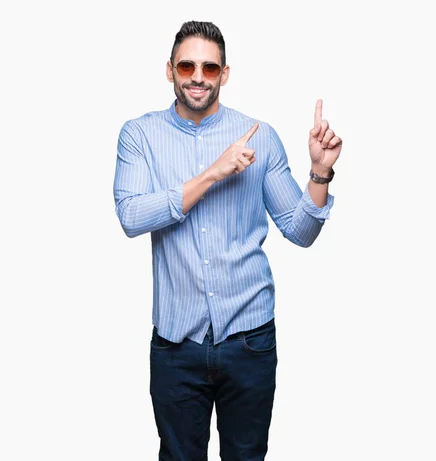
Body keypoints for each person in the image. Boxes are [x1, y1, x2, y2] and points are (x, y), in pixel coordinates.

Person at [113, 20, 342, 461]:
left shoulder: (261, 136)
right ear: (170, 70)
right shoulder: (139, 135)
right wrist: (213, 173)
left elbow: (301, 230)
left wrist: (320, 172)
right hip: (177, 346)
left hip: (250, 341)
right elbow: (130, 215)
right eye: (187, 65)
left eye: (209, 68)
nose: (198, 76)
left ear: (225, 74)